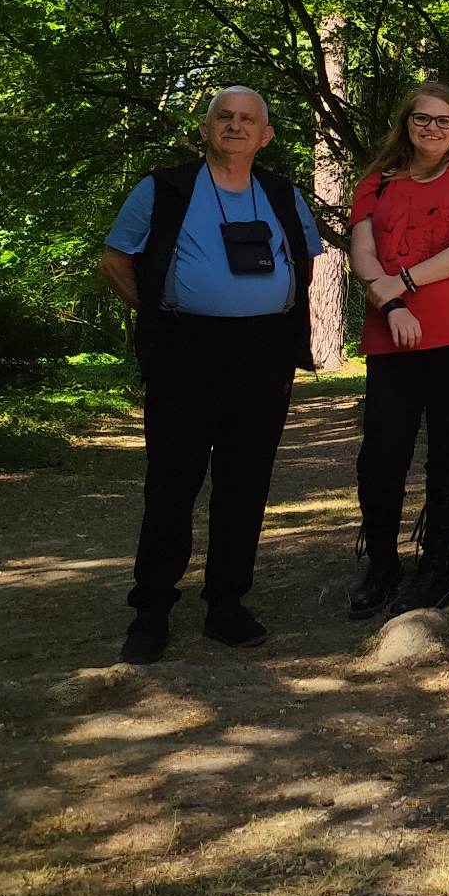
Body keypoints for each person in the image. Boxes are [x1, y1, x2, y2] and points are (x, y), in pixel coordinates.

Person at [102, 87, 322, 665]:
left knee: (245, 484)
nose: (235, 125)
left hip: (264, 354)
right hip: (186, 351)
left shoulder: (283, 195)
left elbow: (306, 262)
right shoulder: (163, 189)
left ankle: (226, 603)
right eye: (223, 116)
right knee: (171, 481)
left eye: (248, 119)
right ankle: (151, 609)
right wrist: (159, 311)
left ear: (266, 135)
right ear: (204, 128)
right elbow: (115, 259)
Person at [347, 82, 449, 620]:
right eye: (424, 119)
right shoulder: (377, 183)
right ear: (407, 123)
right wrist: (392, 304)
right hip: (392, 335)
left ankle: (436, 564)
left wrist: (404, 283)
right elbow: (363, 252)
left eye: (446, 121)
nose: (434, 129)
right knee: (381, 457)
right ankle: (381, 565)